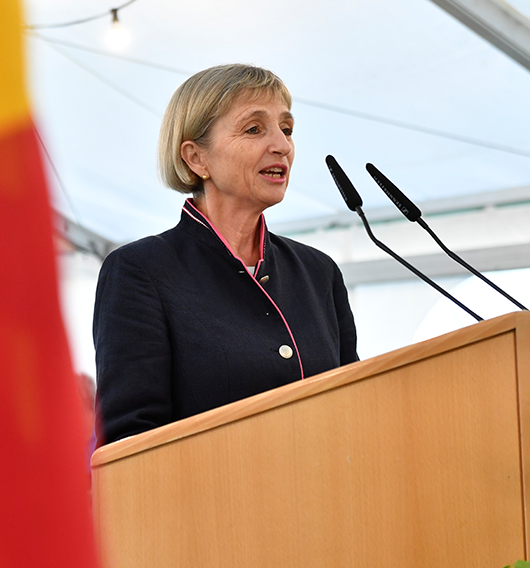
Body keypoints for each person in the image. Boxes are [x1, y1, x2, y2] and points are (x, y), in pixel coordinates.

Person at [93, 64, 357, 446]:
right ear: (196, 158)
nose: (282, 145)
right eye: (254, 129)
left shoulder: (318, 273)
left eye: (286, 129)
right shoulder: (140, 272)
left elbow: (355, 409)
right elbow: (131, 444)